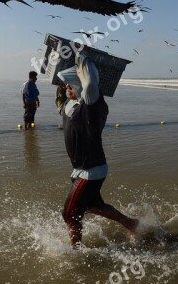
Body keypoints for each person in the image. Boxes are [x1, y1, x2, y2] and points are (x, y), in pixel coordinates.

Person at [56, 57, 138, 248]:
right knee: (94, 206)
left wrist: (83, 58)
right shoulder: (72, 105)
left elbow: (90, 82)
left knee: (68, 214)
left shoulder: (92, 106)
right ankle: (131, 223)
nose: (66, 89)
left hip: (91, 171)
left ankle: (75, 253)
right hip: (80, 168)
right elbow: (61, 81)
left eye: (70, 86)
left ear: (79, 87)